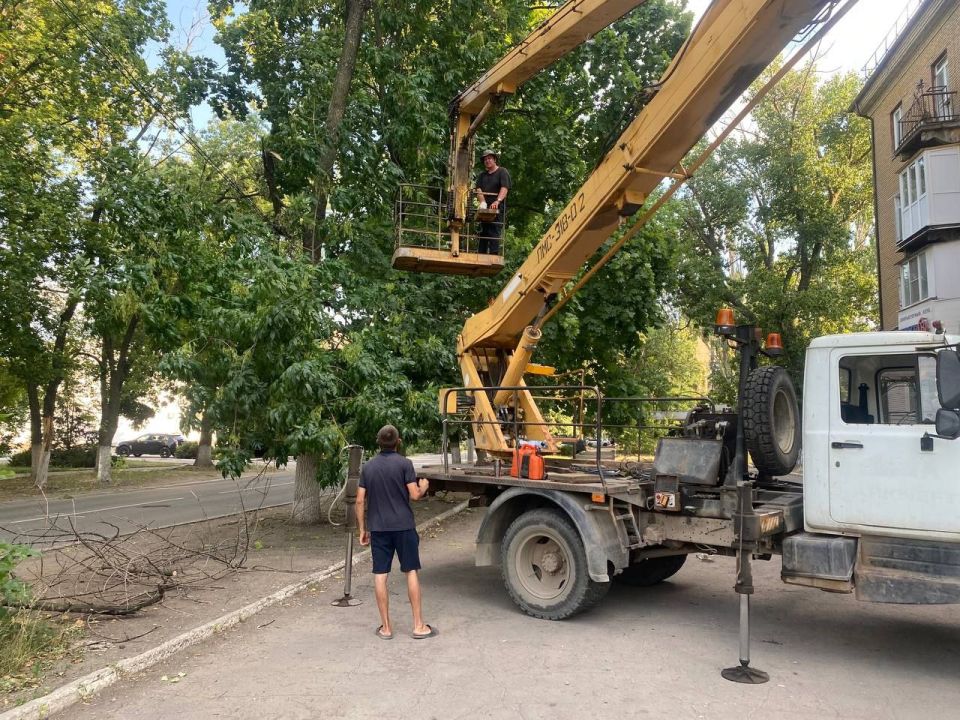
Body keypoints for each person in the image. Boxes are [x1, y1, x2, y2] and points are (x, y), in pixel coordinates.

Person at [356, 424, 437, 640]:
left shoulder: (368, 467)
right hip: (404, 527)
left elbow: (360, 499)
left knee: (380, 575)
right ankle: (418, 626)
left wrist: (363, 529)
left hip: (379, 528)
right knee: (410, 571)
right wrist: (424, 486)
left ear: (378, 442)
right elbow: (415, 495)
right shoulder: (405, 464)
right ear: (398, 442)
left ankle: (386, 628)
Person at [474, 149, 511, 255]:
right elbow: (478, 189)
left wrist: (497, 201)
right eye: (485, 159)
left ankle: (494, 254)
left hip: (497, 207)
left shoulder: (502, 172)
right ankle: (481, 254)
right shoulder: (482, 175)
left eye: (489, 158)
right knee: (483, 231)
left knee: (494, 230)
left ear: (494, 159)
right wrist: (483, 202)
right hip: (485, 208)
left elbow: (504, 188)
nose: (487, 161)